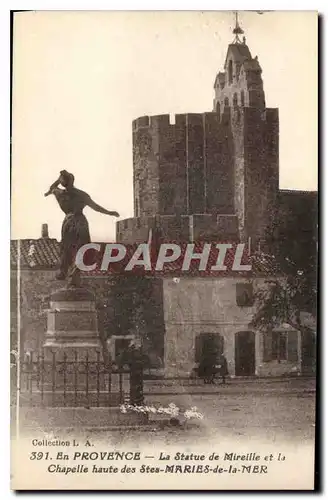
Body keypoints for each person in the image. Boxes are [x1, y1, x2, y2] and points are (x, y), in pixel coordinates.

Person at [45, 170, 119, 285]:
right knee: (82, 248)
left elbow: (52, 187)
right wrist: (109, 213)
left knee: (67, 248)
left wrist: (58, 180)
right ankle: (74, 274)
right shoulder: (81, 195)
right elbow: (95, 207)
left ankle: (65, 272)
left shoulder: (60, 194)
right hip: (79, 221)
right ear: (72, 181)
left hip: (67, 222)